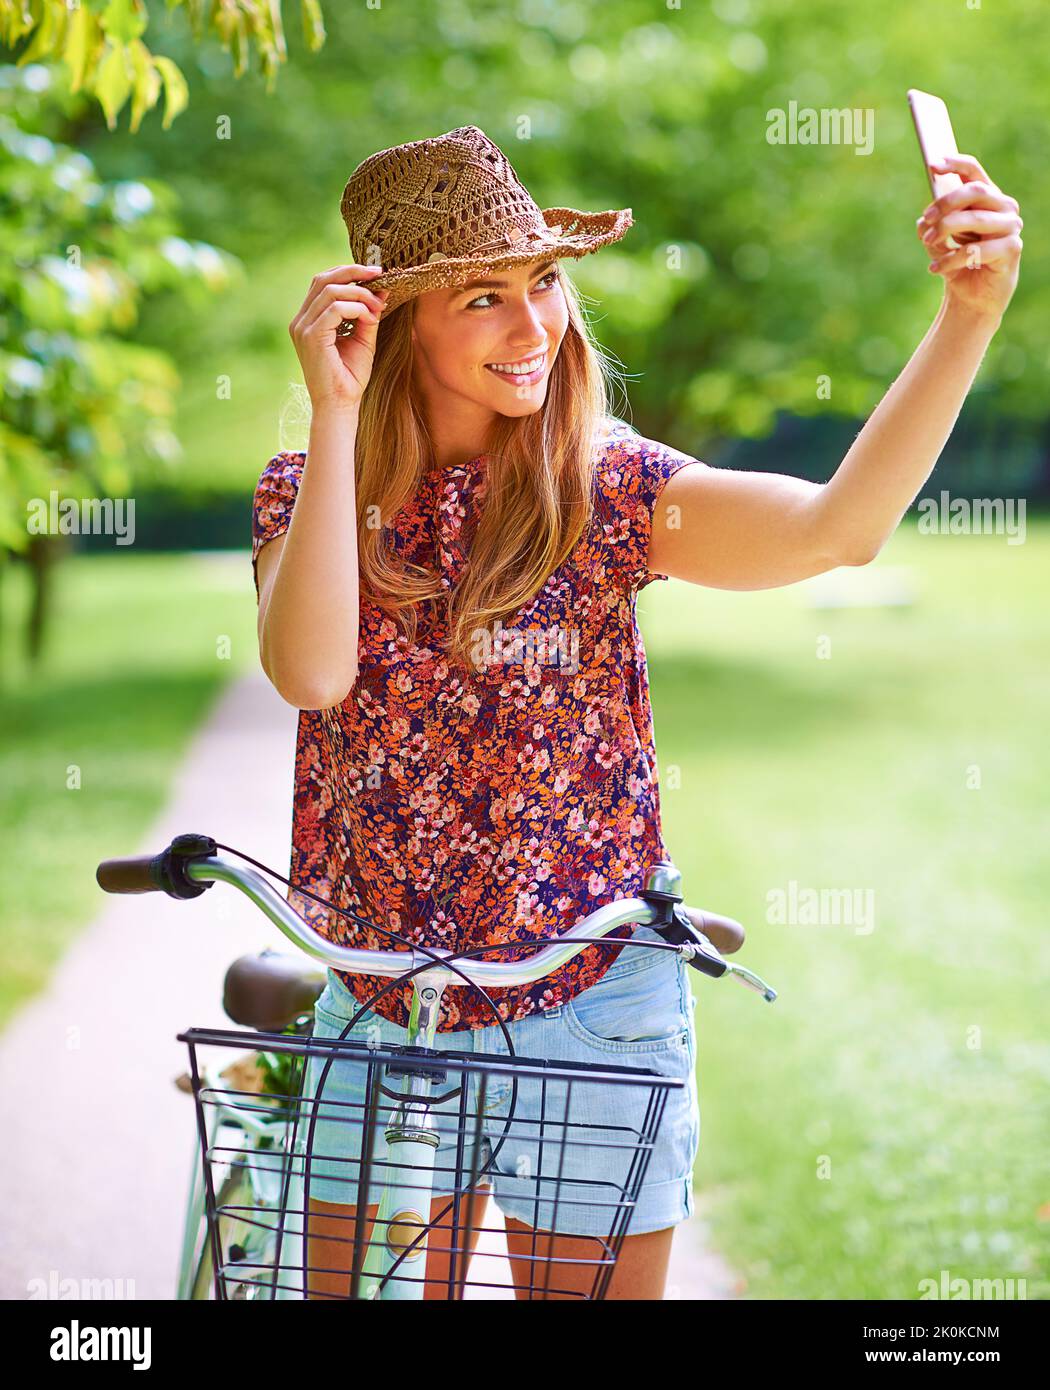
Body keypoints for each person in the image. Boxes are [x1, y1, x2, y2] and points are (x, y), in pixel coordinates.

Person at [251, 127, 1021, 1299]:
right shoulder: (309, 489)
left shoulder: (600, 486)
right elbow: (311, 675)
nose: (534, 328)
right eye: (484, 298)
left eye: (545, 284)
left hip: (591, 1007)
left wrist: (968, 315)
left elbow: (837, 529)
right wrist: (334, 412)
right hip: (384, 1003)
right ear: (396, 323)